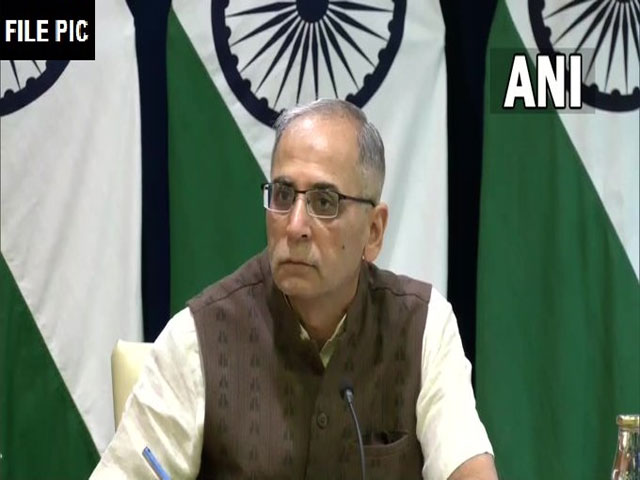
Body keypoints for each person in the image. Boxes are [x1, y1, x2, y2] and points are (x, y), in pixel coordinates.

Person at [91, 99, 497, 479]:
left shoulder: (422, 327)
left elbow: (468, 467)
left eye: (324, 201)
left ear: (373, 231)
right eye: (283, 195)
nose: (296, 225)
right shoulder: (196, 339)